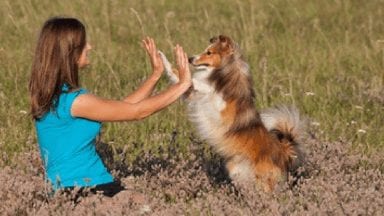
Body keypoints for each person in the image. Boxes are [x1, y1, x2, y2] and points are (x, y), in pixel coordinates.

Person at [28, 17, 191, 198]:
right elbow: (136, 112)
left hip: (80, 189)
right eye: (84, 44)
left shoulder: (57, 97)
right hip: (83, 191)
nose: (89, 47)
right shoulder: (75, 101)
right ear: (70, 53)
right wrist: (182, 85)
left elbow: (124, 107)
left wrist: (155, 76)